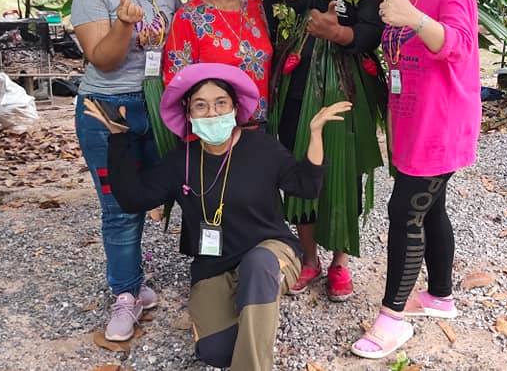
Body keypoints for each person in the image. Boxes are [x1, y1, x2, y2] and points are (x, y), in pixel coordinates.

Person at [83, 63, 351, 370]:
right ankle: (250, 310)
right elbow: (134, 199)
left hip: (272, 253)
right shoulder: (181, 161)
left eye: (220, 103)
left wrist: (315, 135)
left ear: (235, 108)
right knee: (216, 352)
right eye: (201, 105)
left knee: (258, 266)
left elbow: (305, 187)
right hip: (214, 265)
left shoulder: (262, 147)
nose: (212, 113)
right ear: (188, 114)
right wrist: (119, 140)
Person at [351, 0, 481, 359]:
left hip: (441, 126)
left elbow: (459, 45)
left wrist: (413, 17)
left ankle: (391, 320)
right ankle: (440, 296)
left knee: (405, 211)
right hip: (410, 123)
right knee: (431, 208)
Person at [262, 0, 385, 301]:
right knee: (301, 169)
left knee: (344, 171)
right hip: (294, 88)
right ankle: (310, 258)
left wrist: (341, 34)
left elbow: (373, 30)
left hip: (348, 88)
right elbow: (272, 34)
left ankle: (340, 263)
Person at [72, 0, 179, 341]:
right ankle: (124, 294)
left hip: (157, 106)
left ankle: (136, 282)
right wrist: (122, 24)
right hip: (107, 110)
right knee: (119, 207)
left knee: (156, 194)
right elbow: (104, 59)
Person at [163, 0, 272, 123]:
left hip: (262, 126)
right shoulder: (188, 17)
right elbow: (177, 84)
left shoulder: (257, 6)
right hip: (215, 129)